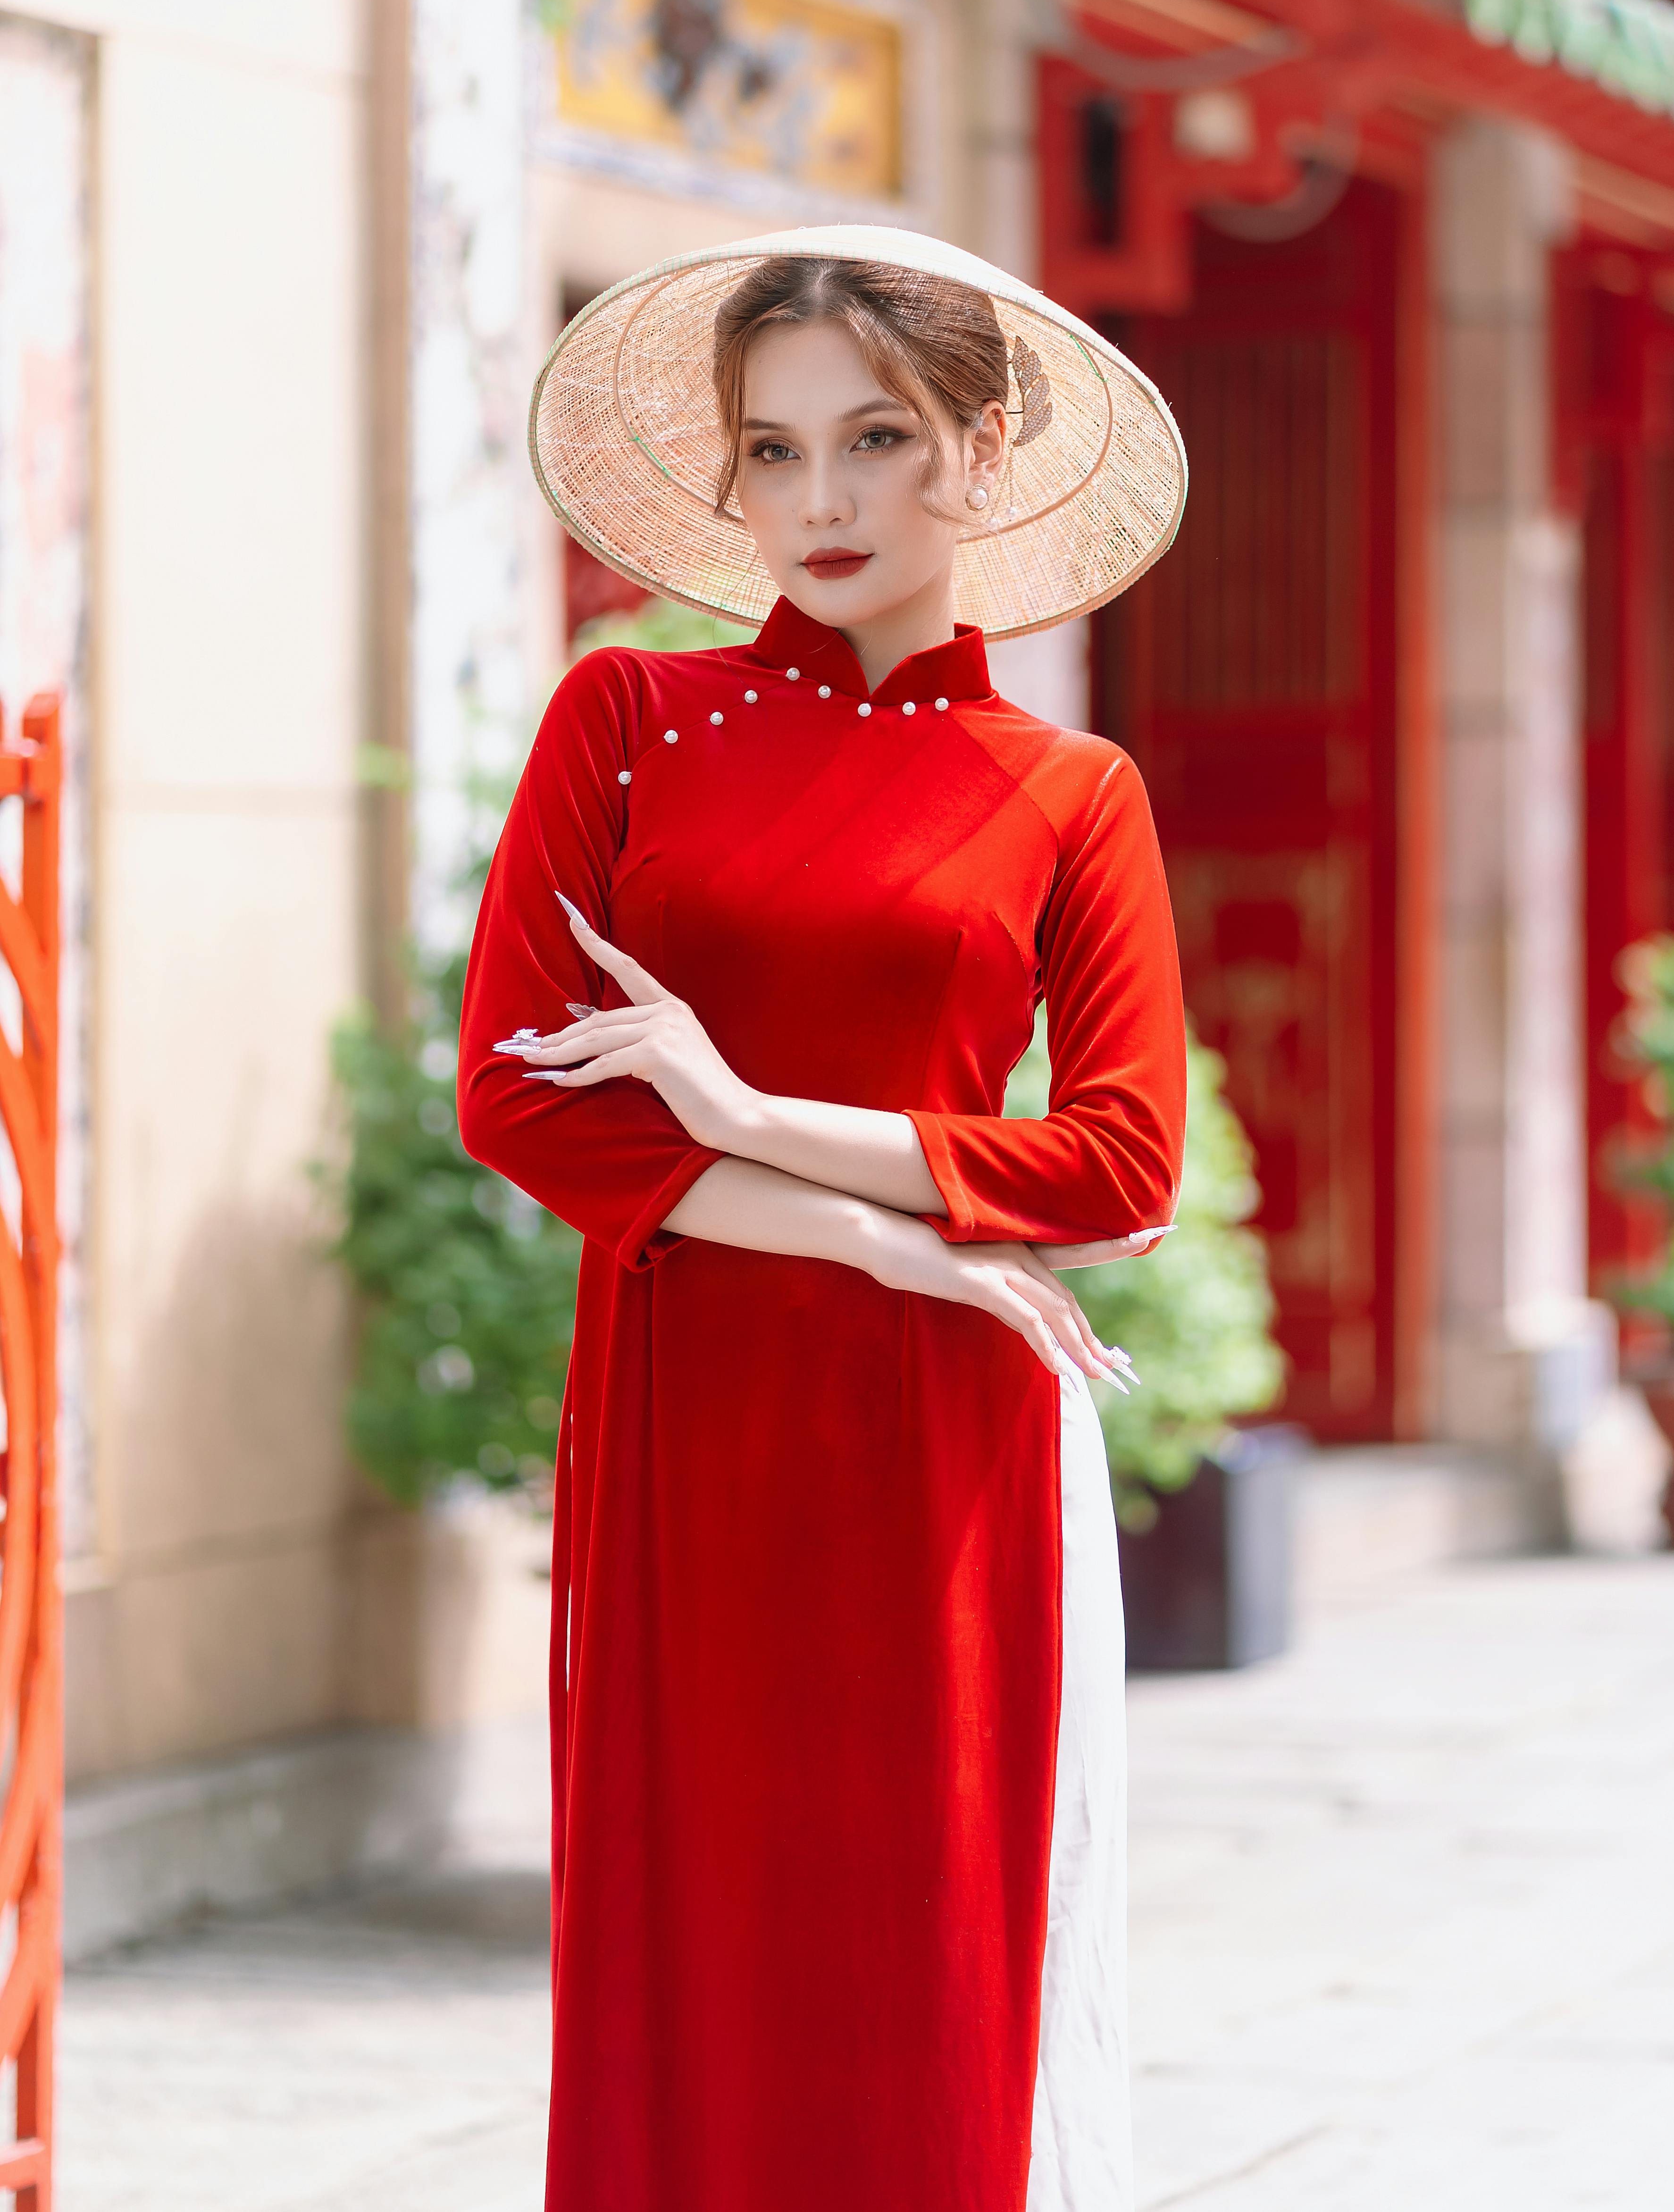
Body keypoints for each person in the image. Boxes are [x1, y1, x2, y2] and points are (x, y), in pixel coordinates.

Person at [457, 228, 1189, 2212]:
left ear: (984, 436)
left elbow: (1124, 1160)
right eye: (771, 453)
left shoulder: (1066, 790)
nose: (822, 501)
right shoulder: (621, 720)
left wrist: (747, 1112)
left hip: (950, 1441)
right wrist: (876, 1230)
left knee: (931, 1953)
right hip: (692, 1409)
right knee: (684, 1939)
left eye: (875, 437)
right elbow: (518, 1093)